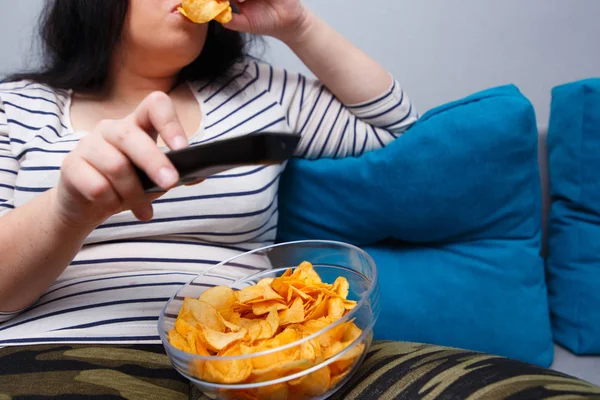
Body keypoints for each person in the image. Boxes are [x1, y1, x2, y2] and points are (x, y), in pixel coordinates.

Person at [0, 0, 417, 345]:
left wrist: (298, 24)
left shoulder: (255, 90)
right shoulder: (15, 108)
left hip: (238, 361)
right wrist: (66, 212)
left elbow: (403, 138)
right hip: (56, 354)